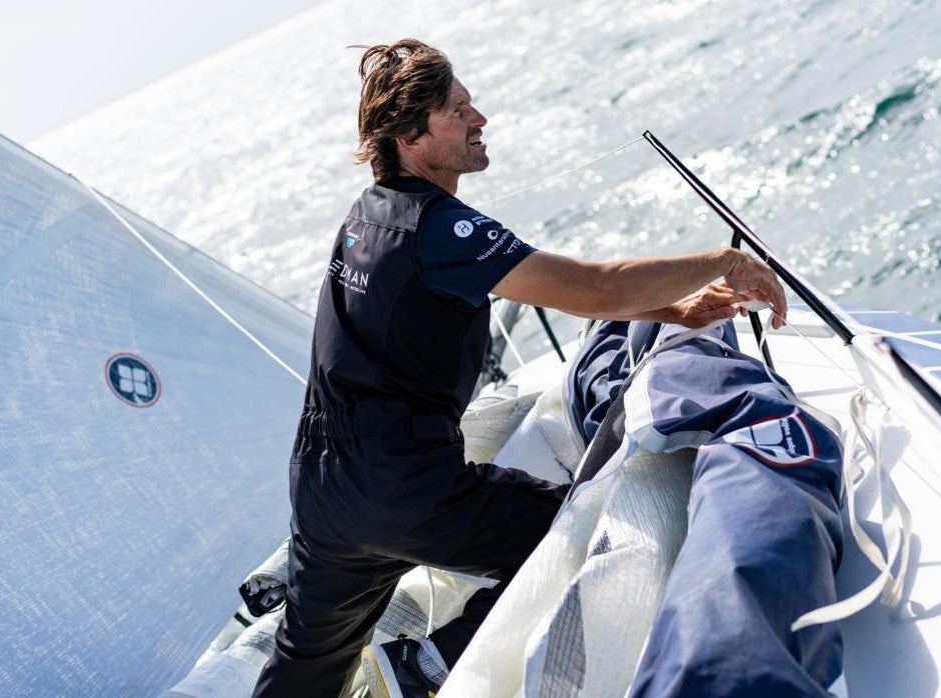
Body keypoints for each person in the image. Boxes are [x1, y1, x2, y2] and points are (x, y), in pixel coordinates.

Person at [253, 39, 788, 698]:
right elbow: (595, 291)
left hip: (323, 490)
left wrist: (677, 311)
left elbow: (529, 290)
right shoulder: (439, 228)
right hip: (405, 489)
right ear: (411, 136)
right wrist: (725, 262)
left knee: (304, 669)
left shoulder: (366, 216)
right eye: (459, 111)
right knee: (580, 538)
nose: (480, 120)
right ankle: (421, 668)